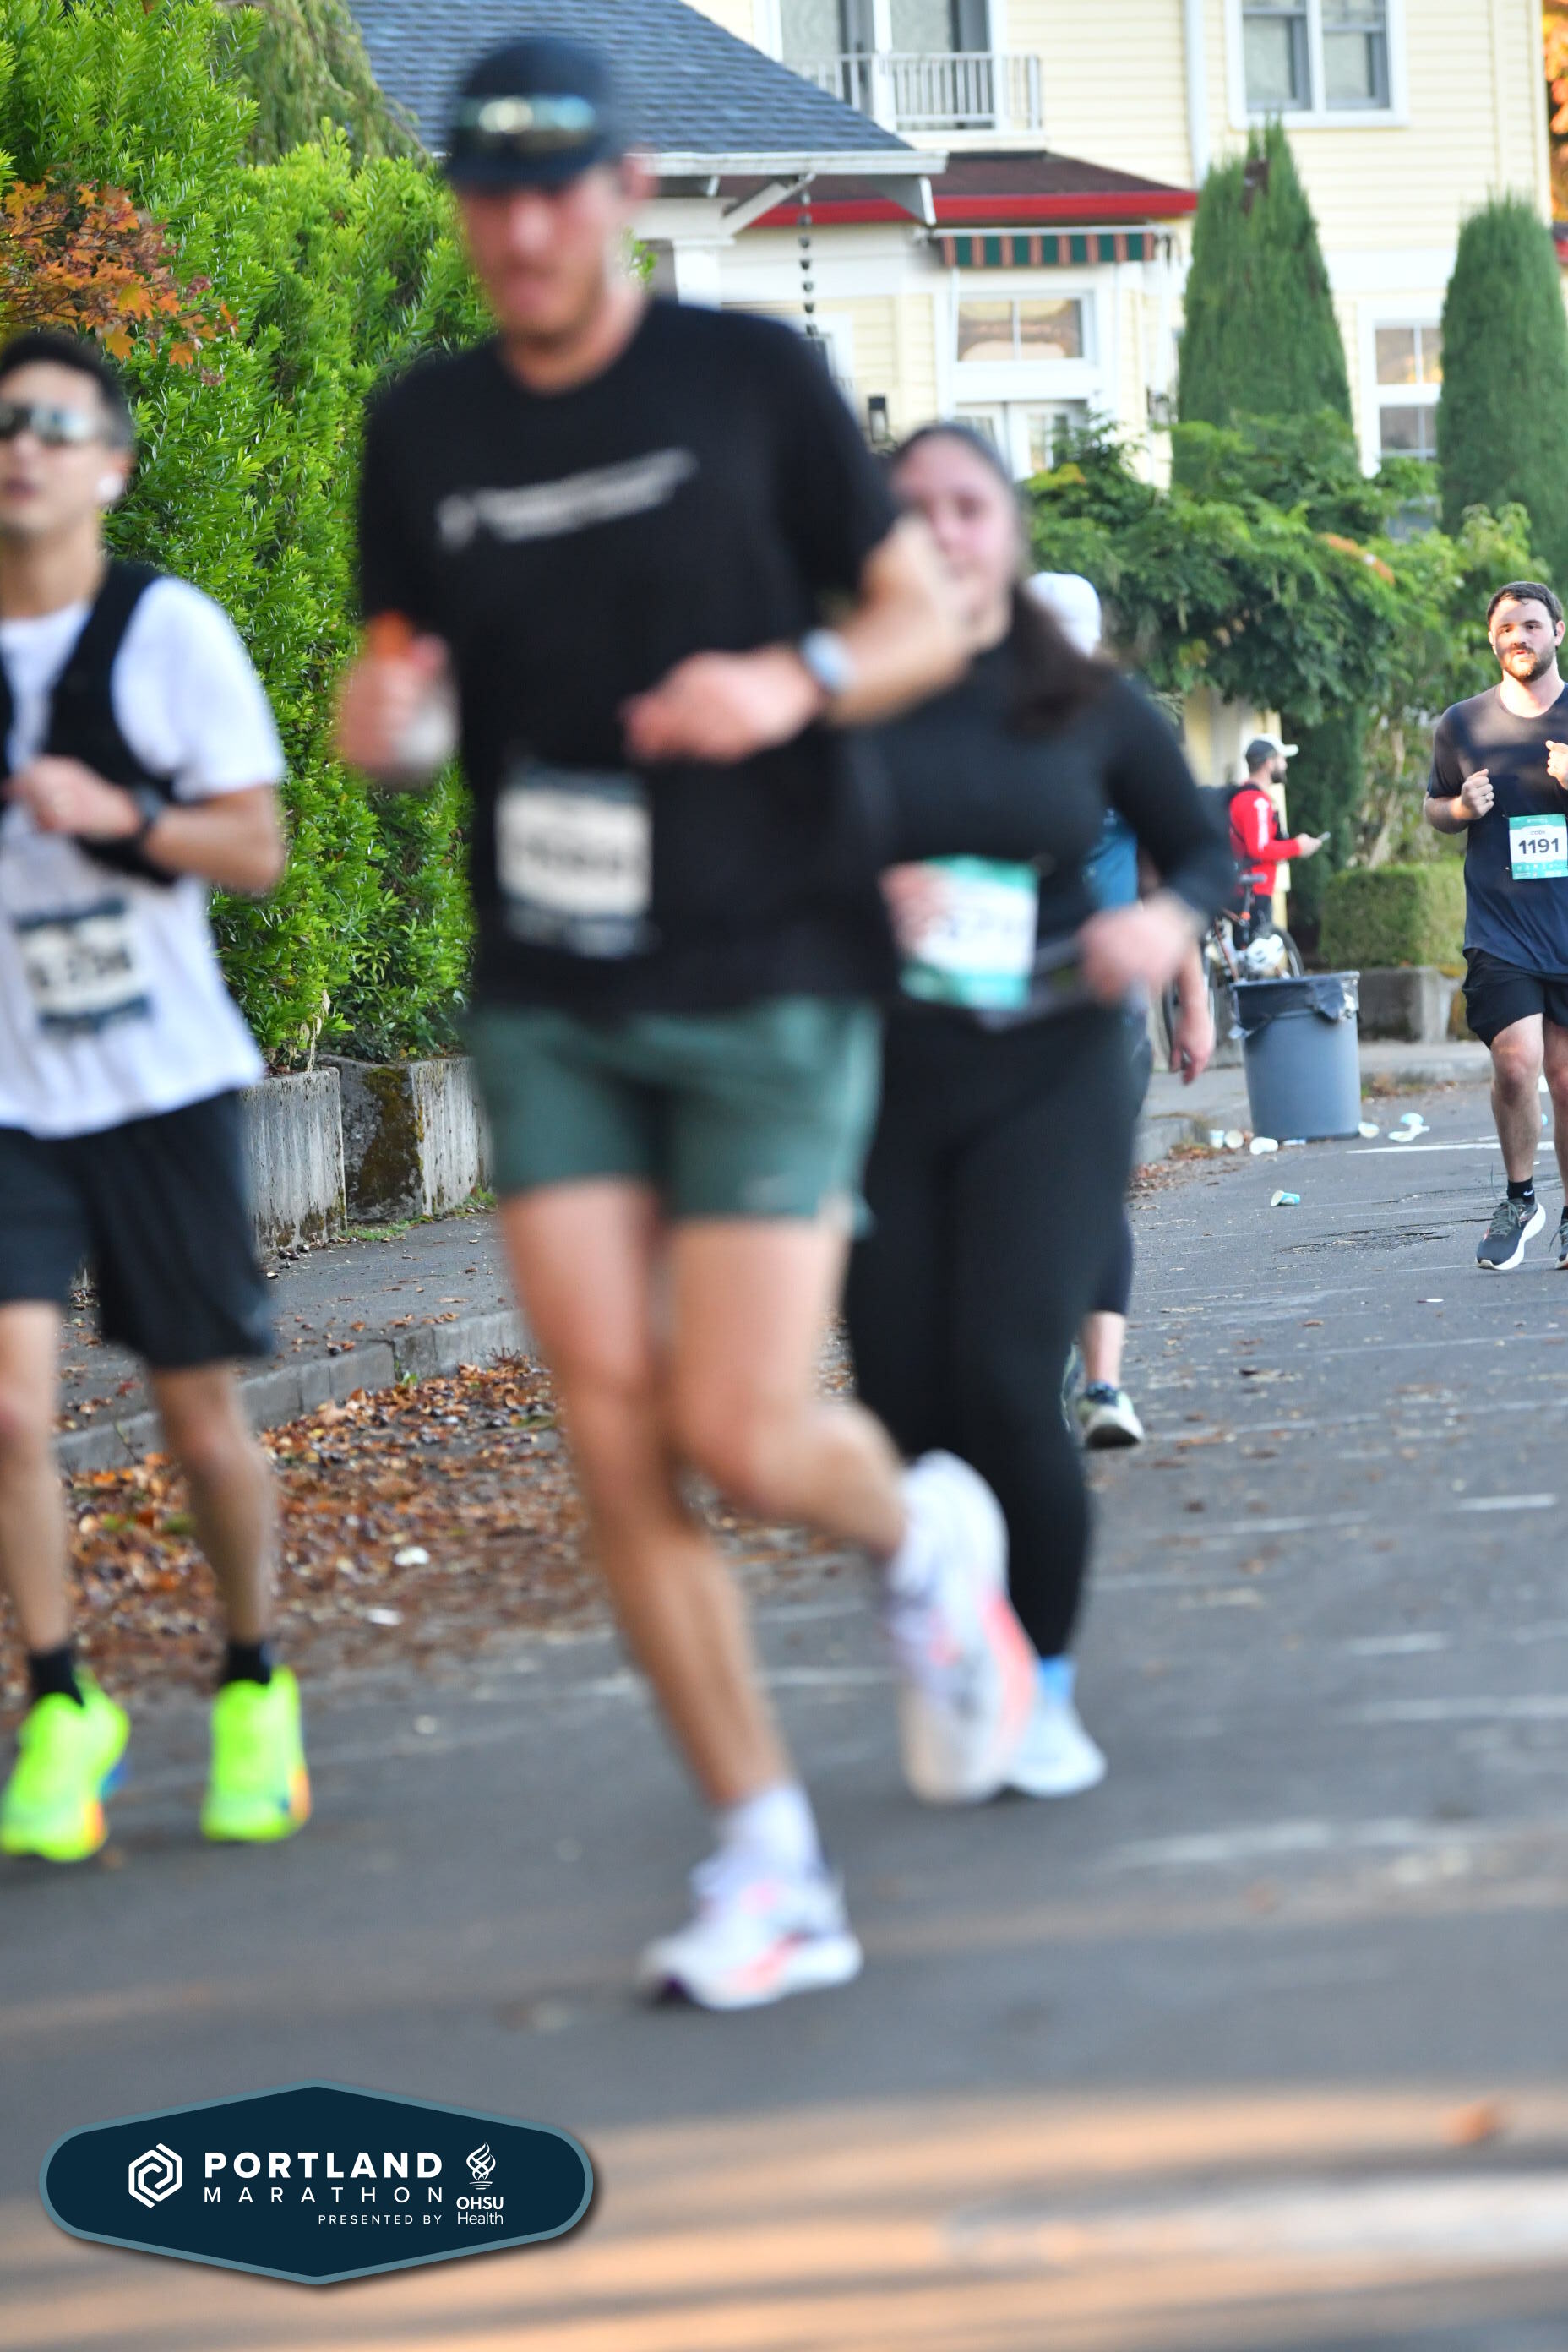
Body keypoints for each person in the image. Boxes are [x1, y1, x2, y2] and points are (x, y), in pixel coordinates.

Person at [335, 38, 1034, 2011]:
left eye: (555, 190)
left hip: (769, 961)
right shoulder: (424, 426)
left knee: (738, 1424)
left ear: (626, 191)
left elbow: (918, 621)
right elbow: (406, 682)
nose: (522, 230)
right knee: (614, 1430)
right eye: (489, 194)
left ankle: (923, 1538)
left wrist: (786, 680)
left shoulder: (752, 380)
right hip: (555, 983)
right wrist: (388, 726)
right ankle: (767, 1857)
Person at [844, 426, 1233, 1798]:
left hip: (1052, 1066)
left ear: (1006, 534)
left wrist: (1164, 926)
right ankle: (966, 1638)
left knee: (1010, 1376)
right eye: (913, 509)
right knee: (903, 1399)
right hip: (882, 1079)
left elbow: (1201, 846)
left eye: (969, 506)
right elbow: (734, 864)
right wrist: (853, 899)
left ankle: (1045, 1682)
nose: (944, 530)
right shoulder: (833, 695)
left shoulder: (1082, 699)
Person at [0, 331, 307, 1862]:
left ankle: (253, 1675)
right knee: (9, 1403)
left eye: (55, 426)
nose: (22, 448)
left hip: (160, 1080)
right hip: (10, 1091)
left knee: (198, 1417)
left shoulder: (163, 631)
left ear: (112, 466)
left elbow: (256, 848)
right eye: (4, 424)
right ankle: (61, 1701)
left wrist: (119, 811)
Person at [1032, 574, 1217, 1450]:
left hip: (1106, 1002)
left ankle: (1099, 1383)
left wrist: (1193, 1002)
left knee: (1093, 1180)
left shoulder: (1119, 734)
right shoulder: (979, 729)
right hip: (993, 1004)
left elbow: (1167, 879)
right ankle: (1040, 1368)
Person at [1427, 580, 1568, 1271]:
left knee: (1566, 1079)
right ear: (1492, 638)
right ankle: (1520, 1198)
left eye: (1532, 625)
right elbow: (1433, 806)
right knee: (1515, 1064)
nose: (1520, 637)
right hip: (1502, 926)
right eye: (1508, 627)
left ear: (1558, 632)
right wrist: (1459, 809)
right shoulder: (1462, 724)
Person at [1228, 734, 1325, 929]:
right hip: (1254, 891)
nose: (1285, 765)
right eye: (1281, 759)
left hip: (1248, 889)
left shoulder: (1244, 795)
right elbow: (1260, 848)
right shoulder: (1257, 802)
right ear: (1269, 763)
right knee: (1258, 945)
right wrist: (1298, 846)